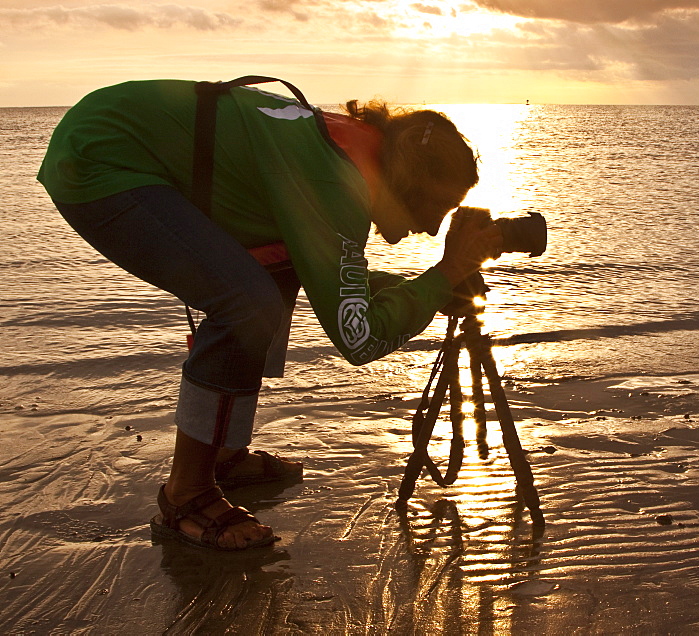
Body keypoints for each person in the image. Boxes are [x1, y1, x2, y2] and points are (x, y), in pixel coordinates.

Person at [37, 78, 501, 551]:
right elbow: (360, 338)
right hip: (103, 157)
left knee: (276, 277)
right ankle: (187, 496)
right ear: (407, 180)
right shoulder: (334, 181)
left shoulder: (346, 155)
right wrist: (445, 274)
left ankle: (221, 453)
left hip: (118, 128)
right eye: (438, 206)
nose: (431, 227)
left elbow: (331, 275)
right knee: (246, 303)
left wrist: (433, 286)